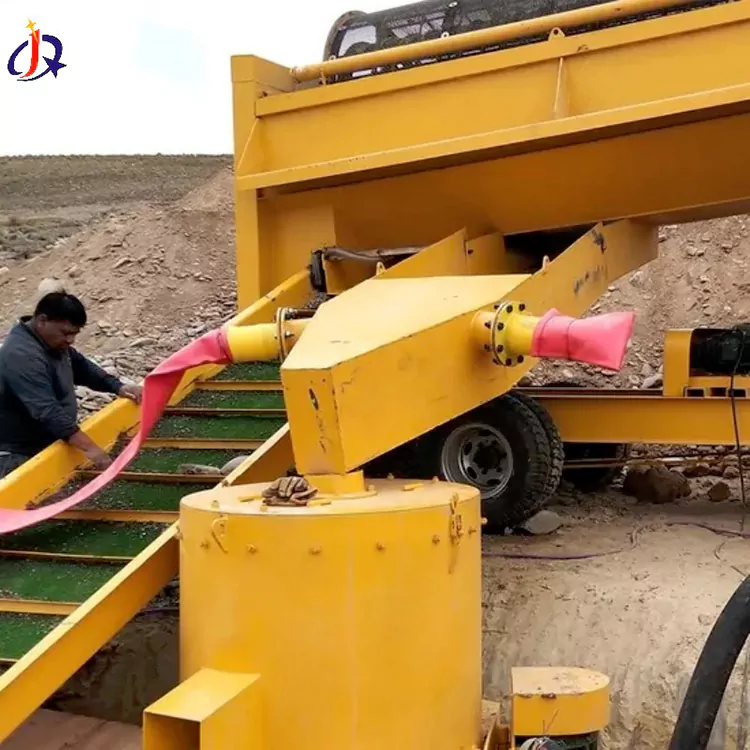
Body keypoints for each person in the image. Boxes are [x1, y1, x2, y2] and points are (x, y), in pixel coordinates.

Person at [0, 291, 142, 479]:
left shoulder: (51, 342)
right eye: (66, 333)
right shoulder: (22, 355)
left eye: (74, 334)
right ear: (42, 320)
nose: (70, 340)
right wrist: (91, 449)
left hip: (50, 443)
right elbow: (46, 410)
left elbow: (82, 368)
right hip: (19, 454)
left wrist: (118, 387)